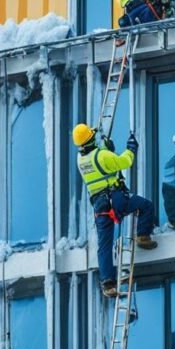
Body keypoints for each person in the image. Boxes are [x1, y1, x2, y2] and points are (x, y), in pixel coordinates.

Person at [72, 123, 157, 298]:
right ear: (90, 139)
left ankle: (108, 284)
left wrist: (107, 149)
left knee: (104, 246)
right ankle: (142, 236)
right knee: (146, 206)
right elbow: (125, 162)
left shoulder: (80, 160)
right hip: (115, 200)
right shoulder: (102, 155)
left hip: (99, 206)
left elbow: (100, 161)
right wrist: (131, 148)